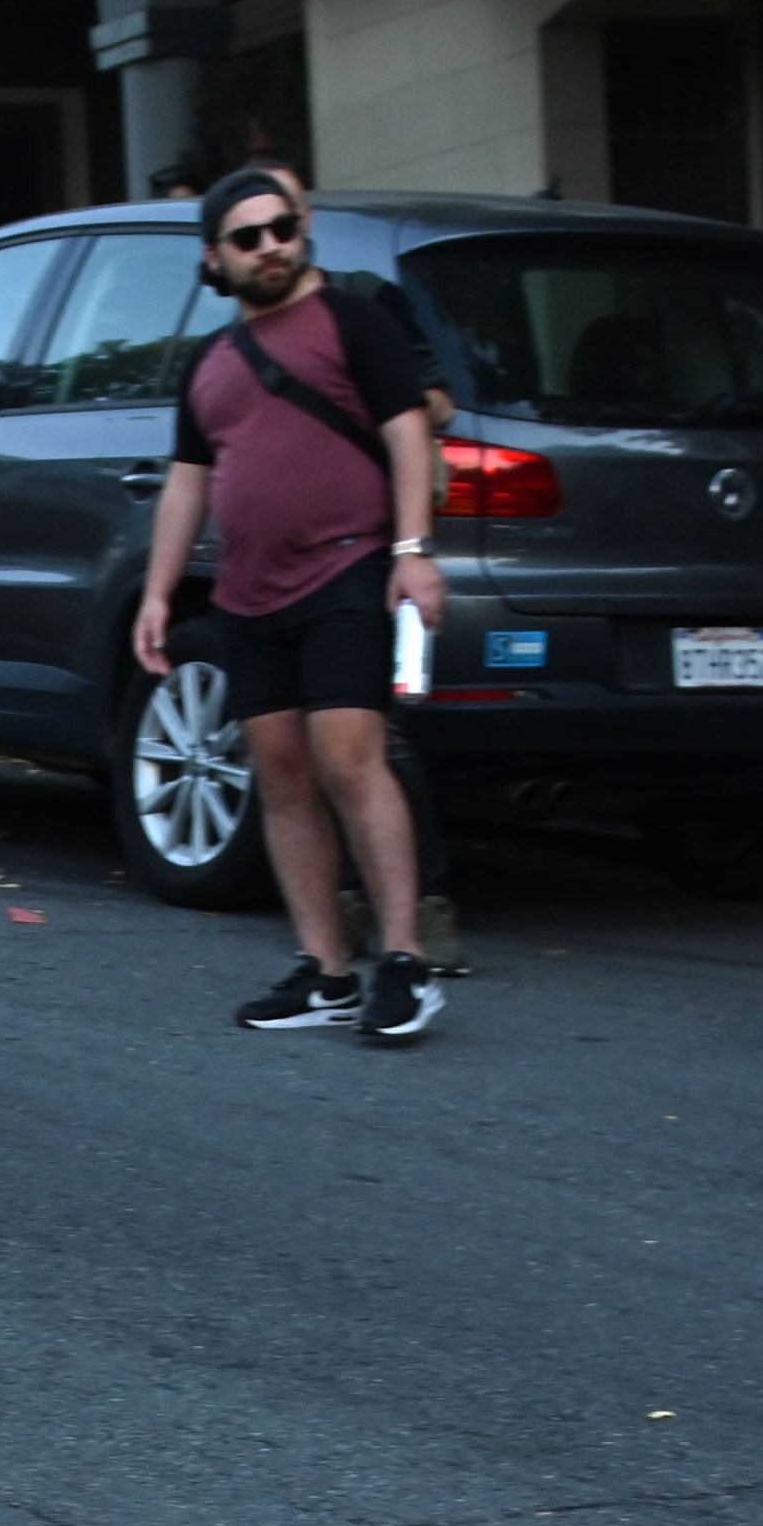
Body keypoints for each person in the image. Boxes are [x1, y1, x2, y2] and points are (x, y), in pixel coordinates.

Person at [135, 165, 445, 1048]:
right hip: (246, 594)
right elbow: (186, 486)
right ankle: (327, 972)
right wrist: (158, 594)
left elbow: (406, 432)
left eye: (282, 230)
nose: (271, 247)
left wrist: (414, 553)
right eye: (248, 238)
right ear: (215, 260)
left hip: (348, 571)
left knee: (350, 761)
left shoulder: (355, 320)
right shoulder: (210, 364)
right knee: (281, 780)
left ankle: (405, 963)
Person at [252, 153, 470, 978]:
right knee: (293, 742)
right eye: (256, 223)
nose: (274, 235)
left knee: (370, 735)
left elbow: (432, 400)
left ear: (307, 221)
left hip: (371, 542)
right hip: (272, 559)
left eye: (287, 217)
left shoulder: (364, 305)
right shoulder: (238, 325)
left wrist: (372, 401)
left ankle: (423, 914)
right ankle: (337, 919)